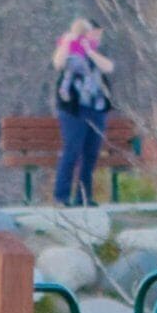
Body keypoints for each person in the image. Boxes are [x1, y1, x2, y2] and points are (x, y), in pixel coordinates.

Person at [51, 19, 115, 208]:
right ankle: (61, 196)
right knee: (72, 150)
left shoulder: (96, 50)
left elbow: (108, 67)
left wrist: (90, 51)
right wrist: (68, 43)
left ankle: (84, 196)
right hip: (73, 108)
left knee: (91, 152)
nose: (96, 37)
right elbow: (58, 63)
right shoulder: (68, 48)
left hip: (96, 107)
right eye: (93, 33)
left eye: (98, 34)